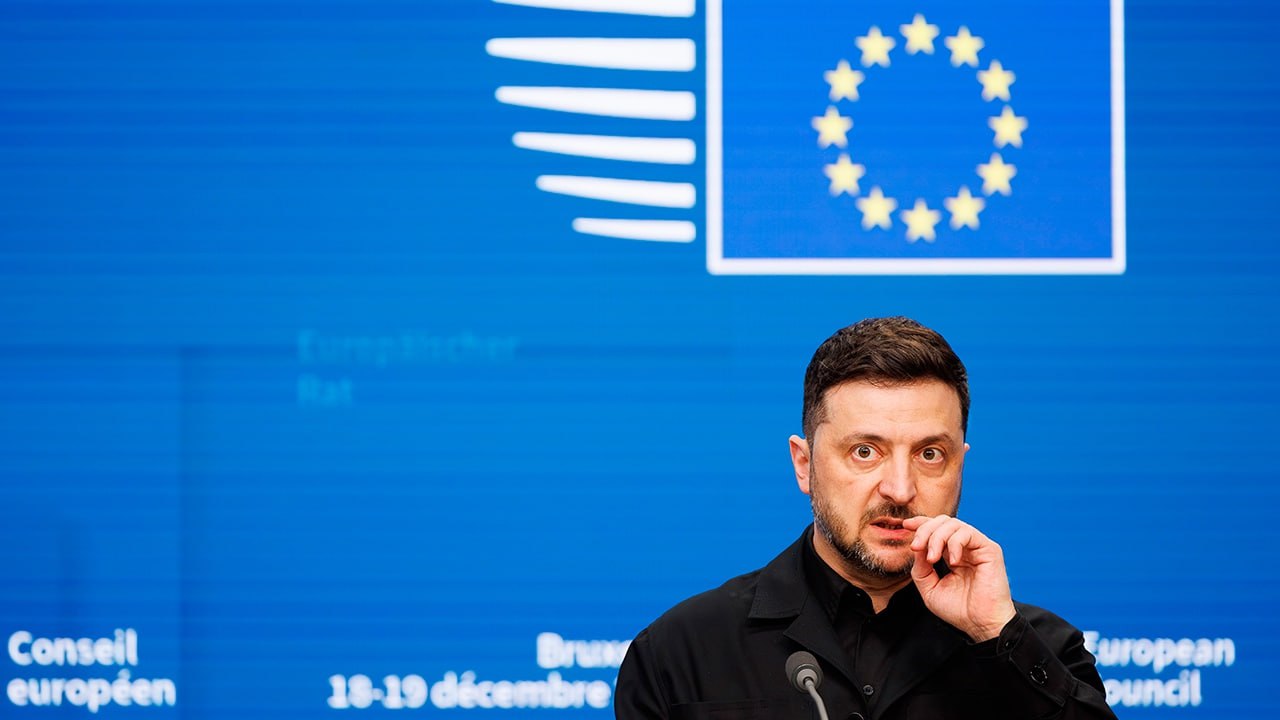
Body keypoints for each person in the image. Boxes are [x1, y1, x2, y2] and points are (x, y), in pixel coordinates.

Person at [614, 317, 1117, 720]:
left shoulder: (1042, 648)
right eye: (864, 452)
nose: (900, 489)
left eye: (929, 455)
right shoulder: (681, 652)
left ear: (960, 465)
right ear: (804, 465)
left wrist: (997, 635)